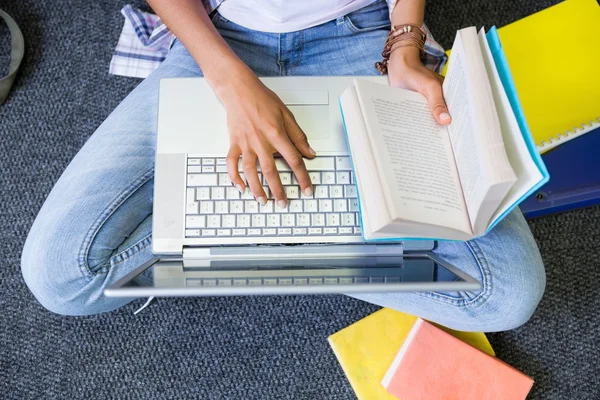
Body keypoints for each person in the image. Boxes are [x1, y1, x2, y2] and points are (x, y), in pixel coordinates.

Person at [20, 0, 545, 331]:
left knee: (508, 293)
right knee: (60, 276)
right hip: (221, 38)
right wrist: (230, 82)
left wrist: (405, 41)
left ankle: (256, 235)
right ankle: (297, 236)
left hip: (358, 32)